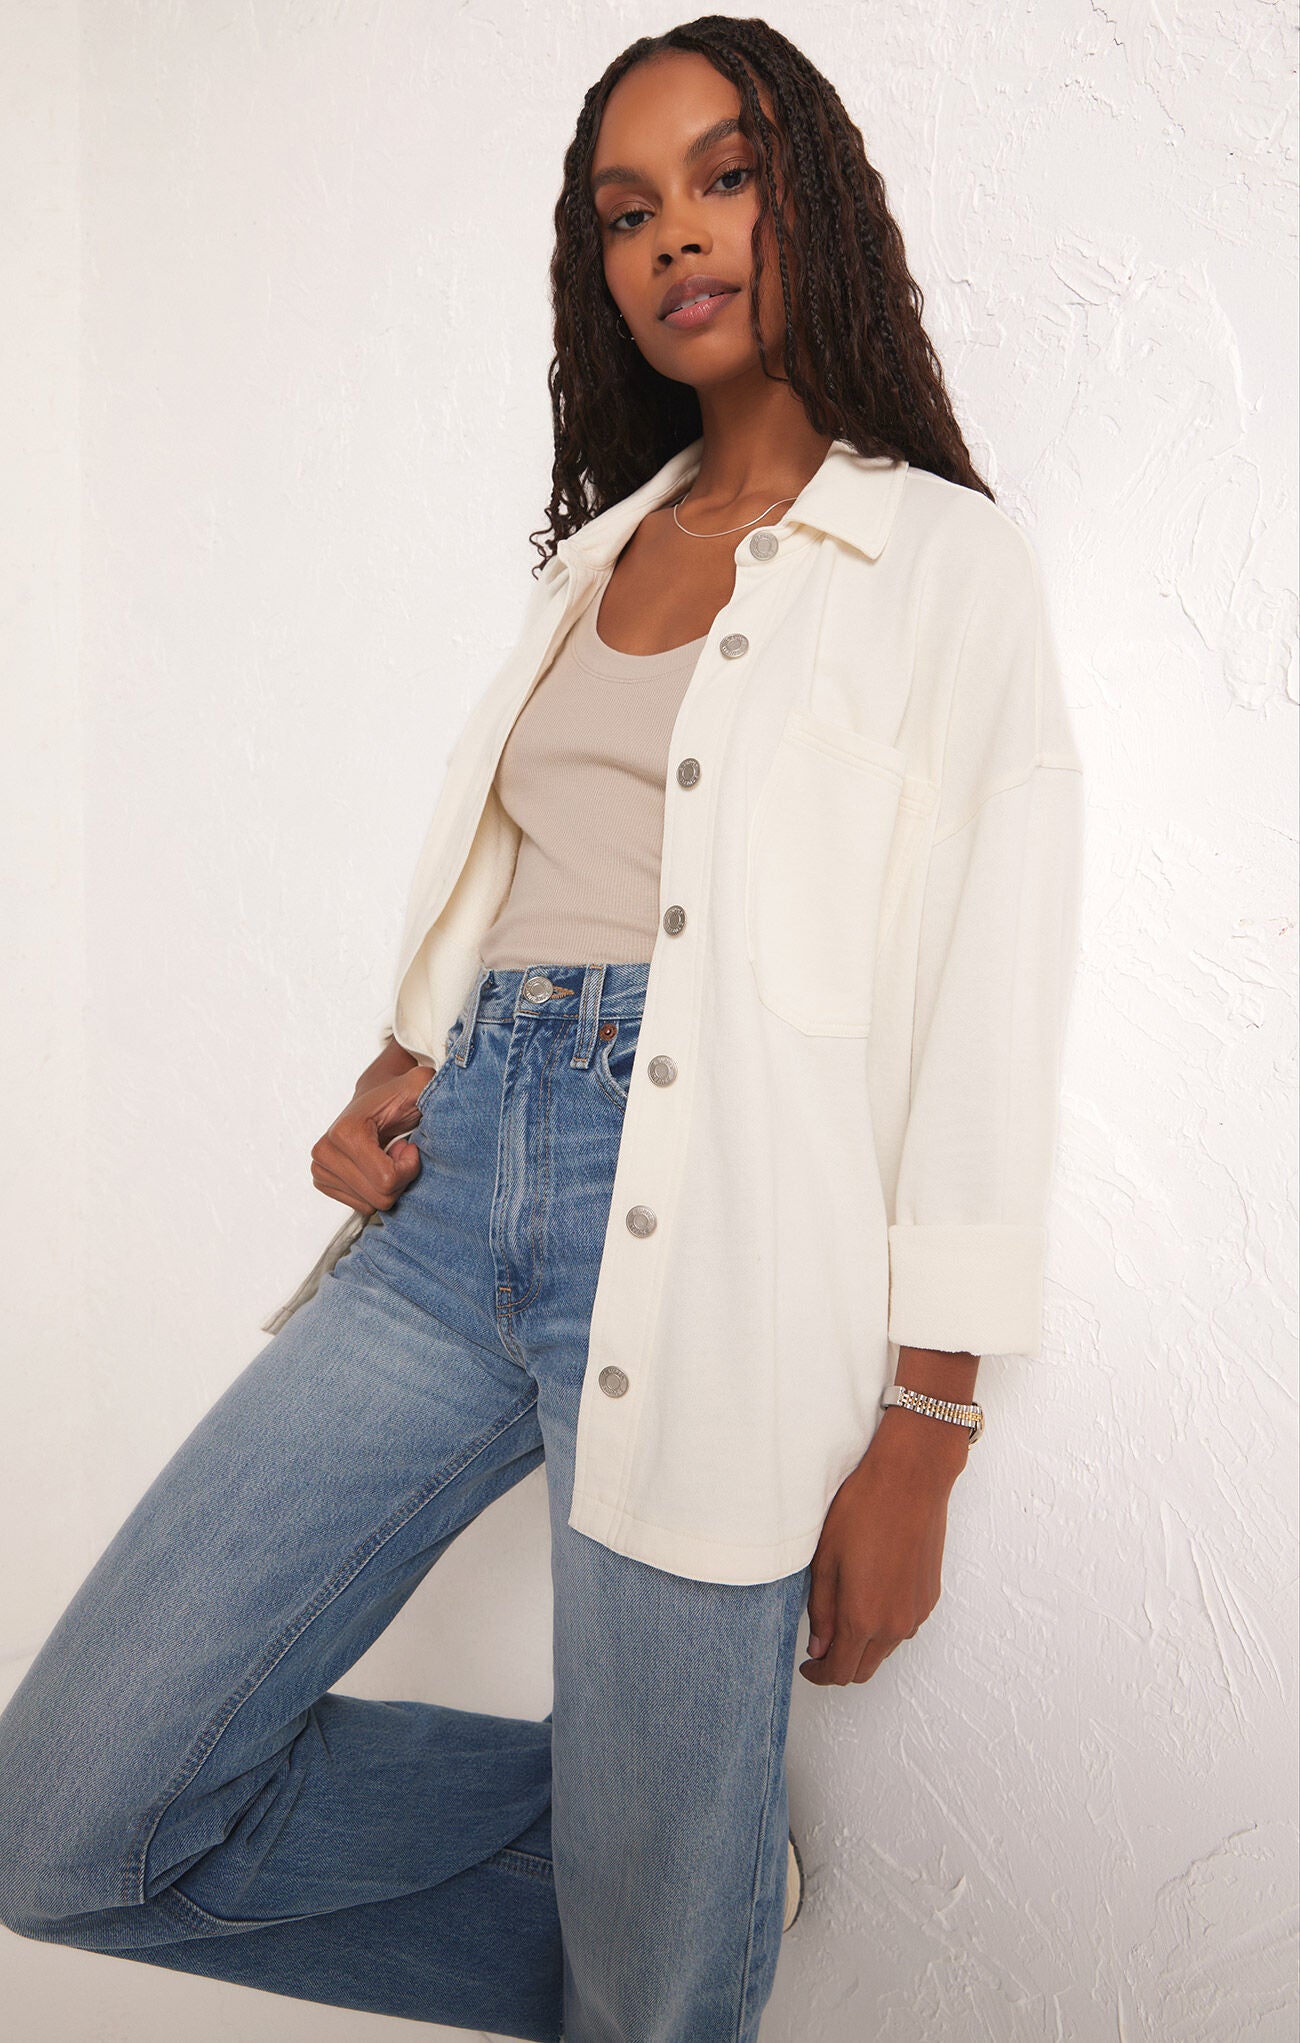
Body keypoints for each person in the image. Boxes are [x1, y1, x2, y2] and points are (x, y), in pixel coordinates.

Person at [0, 17, 1085, 2043]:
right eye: (624, 208)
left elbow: (982, 1001)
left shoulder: (940, 562)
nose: (674, 233)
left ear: (813, 198)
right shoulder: (592, 560)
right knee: (62, 1814)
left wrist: (926, 1425)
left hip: (714, 1255)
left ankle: (672, 1905)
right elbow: (538, 879)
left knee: (652, 1998)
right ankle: (682, 1867)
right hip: (445, 1221)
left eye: (724, 175)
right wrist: (402, 1051)